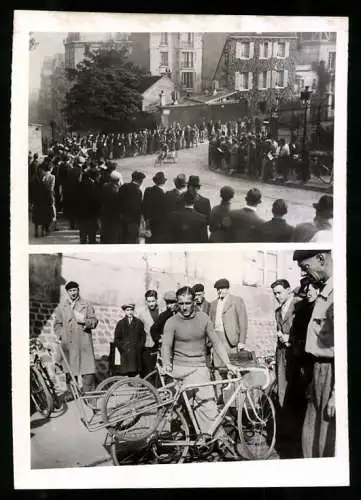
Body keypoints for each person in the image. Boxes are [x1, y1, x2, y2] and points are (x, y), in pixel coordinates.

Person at [161, 286, 239, 455]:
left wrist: (228, 364)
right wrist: (167, 363)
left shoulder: (203, 319)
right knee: (176, 410)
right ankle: (177, 444)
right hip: (179, 369)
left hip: (199, 368)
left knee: (208, 405)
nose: (184, 307)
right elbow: (166, 345)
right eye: (180, 303)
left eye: (188, 303)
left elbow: (217, 343)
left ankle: (219, 442)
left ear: (194, 302)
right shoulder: (172, 321)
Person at [292, 250, 335, 458]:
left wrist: (336, 393)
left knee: (326, 430)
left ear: (321, 259)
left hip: (330, 371)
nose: (304, 272)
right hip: (316, 368)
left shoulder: (337, 293)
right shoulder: (325, 291)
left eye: (305, 266)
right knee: (312, 425)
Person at [285, 278, 319, 458]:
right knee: (299, 400)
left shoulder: (318, 308)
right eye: (307, 288)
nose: (310, 291)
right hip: (300, 359)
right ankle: (298, 443)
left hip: (313, 360)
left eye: (314, 288)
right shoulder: (302, 309)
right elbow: (296, 333)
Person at [270, 278, 300, 457]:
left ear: (289, 290)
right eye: (274, 293)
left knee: (294, 395)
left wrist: (289, 338)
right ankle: (286, 438)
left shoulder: (299, 306)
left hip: (296, 356)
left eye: (279, 292)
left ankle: (295, 439)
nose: (276, 296)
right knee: (282, 394)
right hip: (282, 356)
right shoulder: (277, 311)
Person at [54, 281, 98, 392]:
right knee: (69, 371)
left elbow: (94, 321)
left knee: (87, 372)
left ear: (78, 290)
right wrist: (60, 334)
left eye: (75, 290)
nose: (73, 293)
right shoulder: (62, 307)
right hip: (68, 344)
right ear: (67, 292)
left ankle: (90, 397)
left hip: (83, 342)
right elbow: (57, 324)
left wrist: (85, 321)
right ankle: (72, 394)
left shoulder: (86, 305)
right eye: (70, 291)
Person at [209, 279, 248, 369]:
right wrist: (210, 343)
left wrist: (241, 342)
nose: (220, 291)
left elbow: (243, 322)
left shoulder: (236, 301)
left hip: (231, 339)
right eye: (218, 289)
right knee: (219, 365)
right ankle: (222, 383)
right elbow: (210, 323)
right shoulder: (213, 304)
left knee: (233, 365)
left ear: (227, 289)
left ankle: (234, 382)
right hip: (217, 338)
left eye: (222, 288)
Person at [112, 302, 146, 377]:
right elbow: (117, 339)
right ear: (124, 311)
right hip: (125, 353)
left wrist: (139, 347)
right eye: (127, 310)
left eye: (131, 310)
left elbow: (143, 336)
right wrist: (122, 348)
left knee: (135, 373)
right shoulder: (120, 323)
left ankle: (135, 386)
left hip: (135, 353)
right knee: (126, 374)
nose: (129, 312)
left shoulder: (139, 323)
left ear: (133, 311)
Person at [136, 290, 164, 377]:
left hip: (161, 345)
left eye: (153, 301)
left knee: (160, 371)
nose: (151, 304)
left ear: (157, 300)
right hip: (148, 346)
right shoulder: (141, 313)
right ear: (146, 301)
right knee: (148, 371)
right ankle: (148, 389)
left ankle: (158, 389)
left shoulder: (163, 311)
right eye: (149, 301)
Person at [118, 170, 146, 244]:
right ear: (140, 180)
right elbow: (137, 207)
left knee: (123, 238)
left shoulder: (123, 186)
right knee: (131, 240)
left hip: (122, 218)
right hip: (133, 221)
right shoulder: (138, 191)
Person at [142, 172, 167, 243]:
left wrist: (146, 219)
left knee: (149, 240)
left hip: (147, 220)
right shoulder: (163, 194)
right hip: (158, 223)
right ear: (163, 182)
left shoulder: (148, 190)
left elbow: (144, 206)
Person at [100, 170, 122, 244]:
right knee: (112, 229)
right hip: (112, 212)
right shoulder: (114, 188)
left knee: (105, 228)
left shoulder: (105, 186)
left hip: (105, 211)